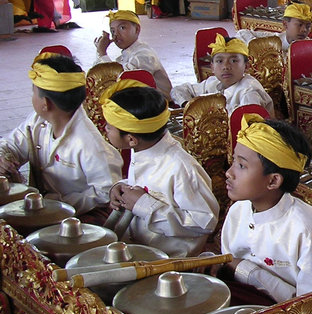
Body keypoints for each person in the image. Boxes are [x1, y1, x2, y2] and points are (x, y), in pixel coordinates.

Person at [220, 114, 312, 302]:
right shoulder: (238, 211)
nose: (229, 173)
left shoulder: (306, 232)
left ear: (273, 180)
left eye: (241, 165)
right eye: (233, 162)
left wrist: (246, 270)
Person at [102, 81, 219, 257]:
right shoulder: (143, 149)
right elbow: (150, 185)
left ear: (131, 139)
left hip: (169, 261)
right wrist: (122, 187)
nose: (105, 129)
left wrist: (143, 205)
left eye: (109, 127)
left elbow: (204, 223)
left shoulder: (181, 168)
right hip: (137, 248)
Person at [0, 53, 122, 216]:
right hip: (40, 206)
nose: (32, 97)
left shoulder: (90, 145)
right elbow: (12, 145)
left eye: (34, 92)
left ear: (45, 104)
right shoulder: (37, 121)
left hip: (77, 218)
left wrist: (58, 203)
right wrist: (4, 158)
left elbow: (106, 192)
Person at [170, 34, 274, 115]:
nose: (226, 66)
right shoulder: (212, 83)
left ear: (246, 66)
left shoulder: (249, 91)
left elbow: (247, 126)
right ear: (212, 67)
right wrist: (189, 106)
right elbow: (178, 90)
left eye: (234, 61)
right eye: (219, 61)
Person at [236, 3, 312, 77]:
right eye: (299, 25)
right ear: (285, 24)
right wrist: (265, 48)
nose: (304, 30)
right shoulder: (276, 39)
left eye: (308, 26)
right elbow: (241, 33)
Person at [95, 10, 173, 97]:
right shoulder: (125, 54)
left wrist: (102, 53)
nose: (116, 34)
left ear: (137, 29)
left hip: (157, 105)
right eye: (112, 31)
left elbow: (120, 82)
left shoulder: (144, 55)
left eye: (122, 28)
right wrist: (99, 52)